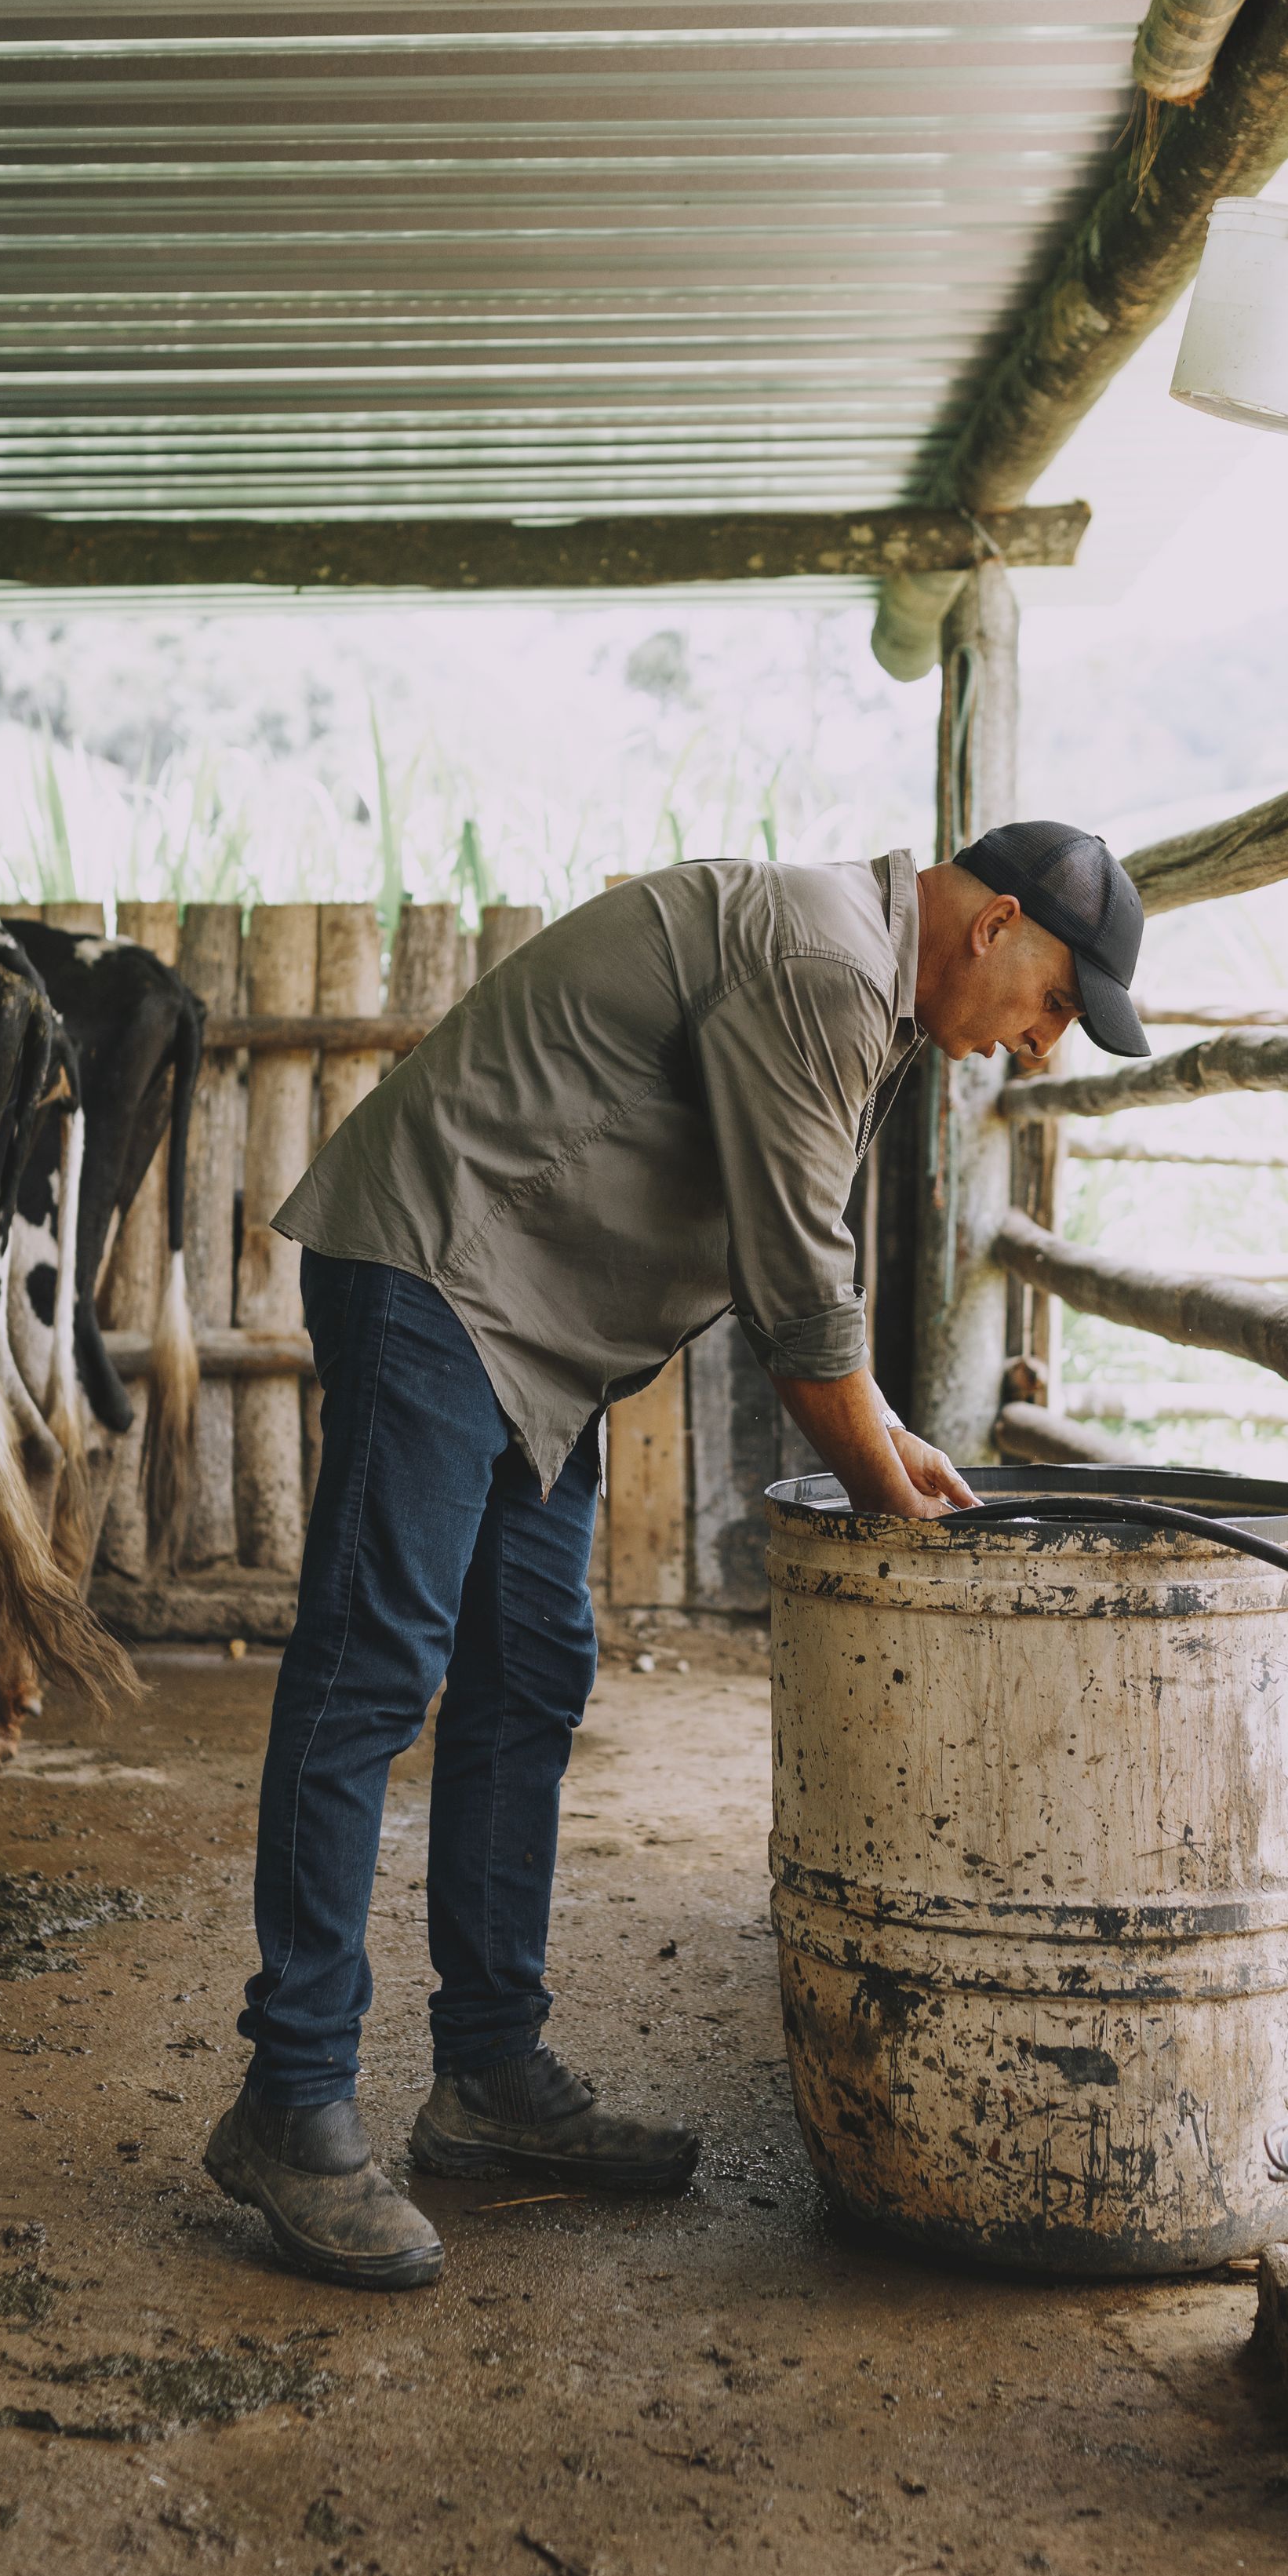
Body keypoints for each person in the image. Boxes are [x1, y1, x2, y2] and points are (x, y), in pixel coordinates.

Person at [203, 821, 1149, 2290]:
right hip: (445, 1263)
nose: (1038, 1049)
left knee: (531, 1674)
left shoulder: (876, 997)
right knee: (378, 1663)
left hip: (536, 1328)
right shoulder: (829, 963)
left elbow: (813, 1278)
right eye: (1052, 1007)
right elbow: (797, 1306)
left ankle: (488, 2074)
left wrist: (897, 1443)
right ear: (996, 923)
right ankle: (292, 2096)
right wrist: (902, 1522)